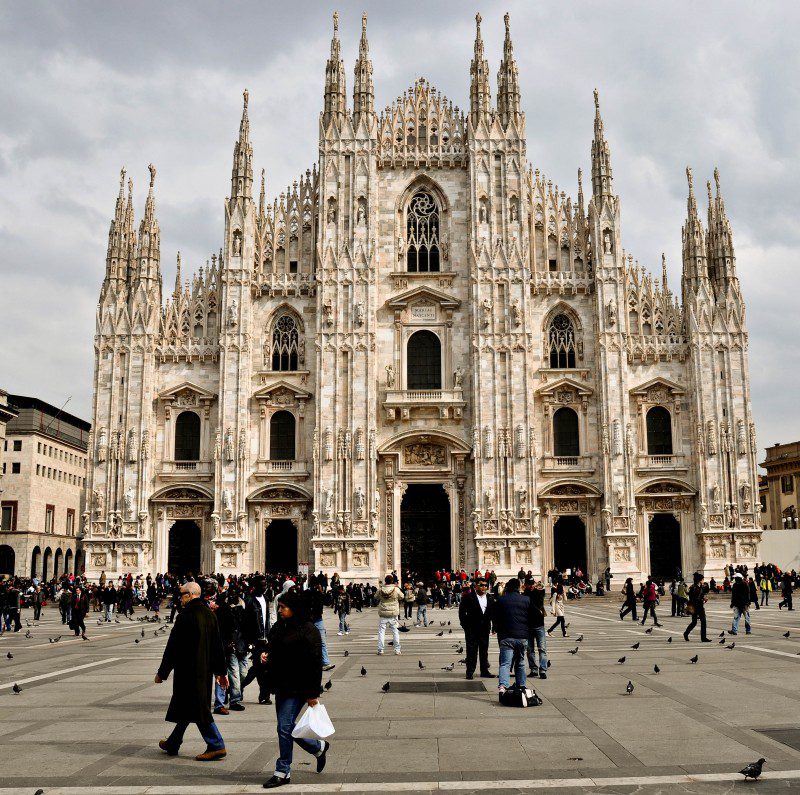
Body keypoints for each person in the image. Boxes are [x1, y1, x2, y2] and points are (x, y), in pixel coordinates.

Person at [261, 591, 330, 788]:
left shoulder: (309, 630)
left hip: (299, 687)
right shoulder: (280, 627)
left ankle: (282, 771)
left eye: (283, 607)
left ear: (295, 608)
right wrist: (264, 655)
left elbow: (315, 663)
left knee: (284, 727)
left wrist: (312, 694)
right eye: (279, 607)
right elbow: (270, 646)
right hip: (281, 684)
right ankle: (318, 747)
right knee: (287, 727)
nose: (280, 610)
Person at [155, 581, 229, 761]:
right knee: (187, 707)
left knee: (198, 709)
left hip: (187, 672)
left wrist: (162, 673)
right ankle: (173, 742)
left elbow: (173, 647)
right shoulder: (210, 615)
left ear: (189, 595)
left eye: (181, 595)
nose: (179, 598)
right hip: (204, 672)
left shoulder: (185, 616)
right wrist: (221, 672)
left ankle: (216, 744)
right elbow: (217, 646)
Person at [493, 578, 534, 697]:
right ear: (518, 587)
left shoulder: (501, 600)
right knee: (520, 662)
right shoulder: (526, 599)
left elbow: (496, 618)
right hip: (522, 637)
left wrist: (496, 629)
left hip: (506, 636)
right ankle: (521, 685)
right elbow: (532, 617)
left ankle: (502, 687)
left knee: (505, 663)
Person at [215, 586, 250, 712]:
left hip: (243, 645)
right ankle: (235, 700)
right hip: (230, 646)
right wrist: (227, 642)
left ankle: (231, 689)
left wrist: (250, 642)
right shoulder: (223, 609)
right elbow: (220, 628)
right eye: (229, 594)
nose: (231, 597)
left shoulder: (245, 607)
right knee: (234, 674)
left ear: (238, 595)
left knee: (243, 674)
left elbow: (249, 626)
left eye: (234, 594)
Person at [242, 575, 273, 705]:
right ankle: (264, 696)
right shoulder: (249, 600)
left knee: (258, 668)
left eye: (265, 585)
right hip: (255, 640)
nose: (264, 587)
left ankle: (237, 687)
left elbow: (266, 619)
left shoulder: (265, 599)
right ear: (255, 586)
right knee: (261, 668)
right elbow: (245, 623)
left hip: (265, 638)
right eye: (262, 585)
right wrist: (249, 641)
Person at [458, 577, 494, 680]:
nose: (484, 587)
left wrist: (494, 626)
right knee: (471, 651)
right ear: (476, 586)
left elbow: (492, 613)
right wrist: (465, 626)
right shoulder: (468, 597)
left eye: (486, 585)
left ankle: (484, 670)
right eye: (481, 585)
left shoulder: (489, 598)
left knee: (484, 651)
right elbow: (461, 612)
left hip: (484, 629)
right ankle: (470, 672)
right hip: (472, 629)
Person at [524, 578, 549, 679]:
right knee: (530, 650)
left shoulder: (538, 593)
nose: (531, 586)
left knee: (542, 649)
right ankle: (534, 669)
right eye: (529, 584)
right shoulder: (524, 595)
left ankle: (543, 670)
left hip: (539, 625)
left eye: (532, 584)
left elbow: (542, 594)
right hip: (528, 626)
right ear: (525, 584)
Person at [309, 582, 335, 672]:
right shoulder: (308, 594)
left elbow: (327, 602)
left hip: (318, 620)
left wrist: (322, 593)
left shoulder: (319, 595)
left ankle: (325, 662)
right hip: (311, 620)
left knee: (322, 641)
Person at [376, 575, 404, 655]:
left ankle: (380, 649)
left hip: (383, 613)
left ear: (385, 581)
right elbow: (402, 597)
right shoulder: (396, 589)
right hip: (393, 614)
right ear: (392, 581)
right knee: (395, 631)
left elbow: (375, 597)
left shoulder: (381, 589)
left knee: (381, 632)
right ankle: (397, 650)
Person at [684, 572, 710, 642]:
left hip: (700, 606)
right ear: (699, 580)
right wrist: (702, 599)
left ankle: (703, 637)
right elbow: (693, 598)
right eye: (702, 579)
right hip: (695, 607)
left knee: (703, 622)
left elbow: (702, 594)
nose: (703, 581)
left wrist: (703, 599)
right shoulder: (693, 587)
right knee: (694, 622)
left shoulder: (700, 587)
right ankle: (686, 633)